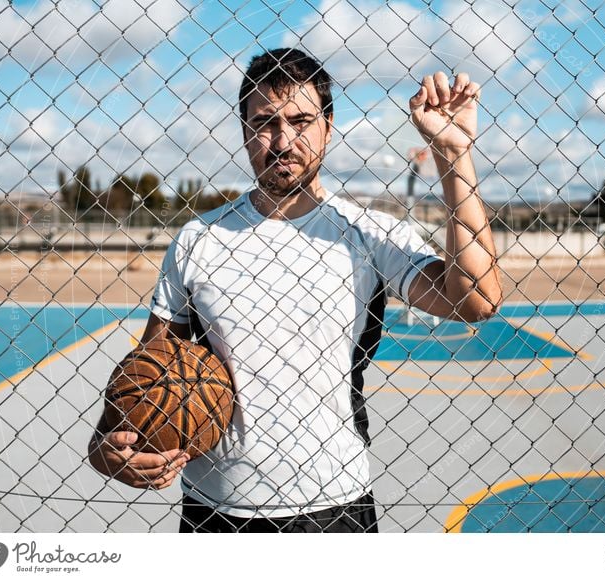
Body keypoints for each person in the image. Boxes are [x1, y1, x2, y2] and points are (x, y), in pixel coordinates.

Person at [88, 47, 502, 533]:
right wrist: (107, 449)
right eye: (265, 122)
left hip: (334, 506)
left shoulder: (368, 234)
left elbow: (475, 300)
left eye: (301, 120)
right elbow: (147, 371)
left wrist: (452, 154)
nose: (282, 140)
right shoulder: (198, 241)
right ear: (244, 133)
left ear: (329, 126)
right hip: (214, 510)